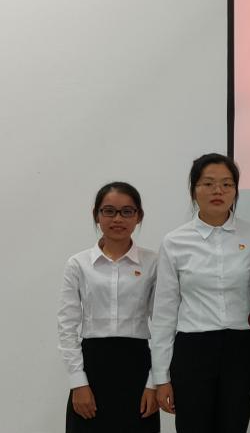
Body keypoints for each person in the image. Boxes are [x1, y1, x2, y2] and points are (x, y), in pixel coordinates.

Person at [150, 154, 250, 433]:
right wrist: (160, 377)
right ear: (193, 190)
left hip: (241, 349)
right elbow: (164, 313)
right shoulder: (175, 241)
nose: (218, 191)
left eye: (227, 184)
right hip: (193, 350)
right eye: (208, 183)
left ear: (235, 190)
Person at [58, 182, 160, 432]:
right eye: (109, 211)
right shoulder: (78, 264)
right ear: (96, 215)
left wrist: (154, 382)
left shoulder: (153, 262)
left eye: (127, 211)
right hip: (92, 367)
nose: (118, 219)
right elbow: (67, 326)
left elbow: (163, 325)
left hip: (137, 366)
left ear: (139, 216)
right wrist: (78, 383)